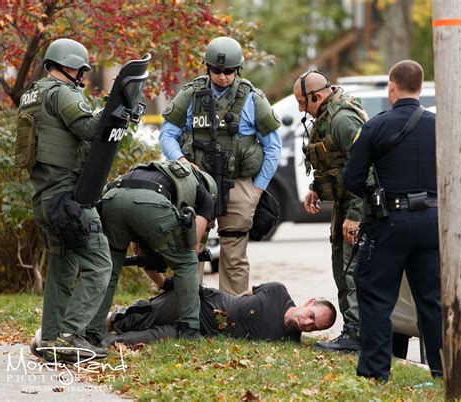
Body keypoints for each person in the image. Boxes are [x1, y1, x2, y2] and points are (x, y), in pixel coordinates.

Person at [343, 60, 442, 381]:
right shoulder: (438, 126)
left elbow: (352, 178)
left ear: (392, 87)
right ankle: (444, 372)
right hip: (432, 221)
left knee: (374, 293)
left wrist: (376, 193)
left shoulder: (377, 126)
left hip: (391, 220)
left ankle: (374, 373)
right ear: (419, 86)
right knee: (431, 300)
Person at [159, 36, 282, 295]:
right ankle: (188, 309)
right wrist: (181, 161)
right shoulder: (191, 94)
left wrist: (257, 190)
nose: (223, 76)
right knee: (190, 246)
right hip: (197, 183)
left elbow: (273, 146)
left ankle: (234, 311)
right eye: (217, 70)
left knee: (234, 251)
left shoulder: (253, 98)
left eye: (228, 71)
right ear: (207, 67)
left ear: (237, 69)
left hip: (238, 184)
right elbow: (167, 133)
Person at [17, 38, 112, 361]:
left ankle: (52, 338)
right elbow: (88, 128)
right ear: (66, 66)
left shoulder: (33, 94)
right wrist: (114, 109)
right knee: (100, 263)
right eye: (79, 68)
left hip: (45, 197)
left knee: (63, 263)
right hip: (70, 197)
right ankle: (71, 335)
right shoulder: (62, 93)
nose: (81, 74)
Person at [83, 160, 217, 342]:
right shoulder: (205, 197)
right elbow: (190, 249)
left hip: (112, 197)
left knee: (110, 269)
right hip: (149, 202)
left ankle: (93, 332)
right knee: (185, 262)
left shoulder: (158, 171)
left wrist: (163, 283)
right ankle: (189, 331)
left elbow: (142, 255)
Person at [293, 71, 367, 351]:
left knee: (350, 269)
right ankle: (352, 331)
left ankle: (357, 335)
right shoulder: (326, 118)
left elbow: (366, 167)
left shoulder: (343, 119)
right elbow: (333, 160)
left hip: (356, 205)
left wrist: (356, 216)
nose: (301, 108)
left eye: (303, 102)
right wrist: (316, 187)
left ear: (318, 97)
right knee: (341, 267)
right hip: (343, 203)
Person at [103, 282, 336, 345]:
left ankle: (95, 346)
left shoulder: (289, 341)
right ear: (310, 302)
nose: (307, 323)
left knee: (133, 340)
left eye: (314, 328)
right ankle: (91, 328)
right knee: (136, 317)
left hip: (195, 333)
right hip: (200, 302)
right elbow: (245, 293)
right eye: (312, 316)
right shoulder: (278, 291)